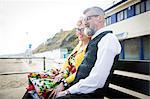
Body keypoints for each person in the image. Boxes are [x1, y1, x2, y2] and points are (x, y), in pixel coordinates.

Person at [55, 6, 121, 99]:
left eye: (88, 19)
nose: (85, 23)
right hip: (80, 91)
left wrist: (67, 91)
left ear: (100, 18)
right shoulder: (96, 40)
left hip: (88, 95)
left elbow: (97, 80)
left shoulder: (108, 39)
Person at [23, 19, 91, 99]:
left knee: (39, 86)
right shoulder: (79, 44)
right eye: (77, 29)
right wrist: (61, 73)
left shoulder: (89, 47)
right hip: (64, 74)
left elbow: (80, 72)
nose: (79, 32)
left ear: (88, 30)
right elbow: (67, 61)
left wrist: (63, 82)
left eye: (82, 29)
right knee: (35, 78)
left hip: (70, 80)